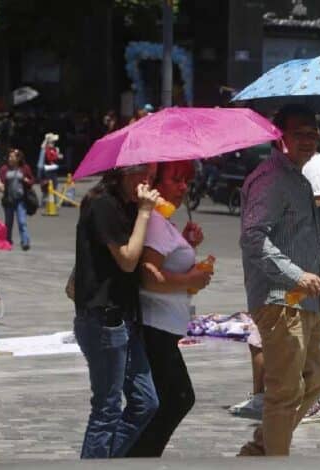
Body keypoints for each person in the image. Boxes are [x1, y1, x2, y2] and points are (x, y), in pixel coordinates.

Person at [238, 103, 320, 456]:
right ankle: (271, 456)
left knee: (314, 382)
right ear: (279, 135)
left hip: (306, 300)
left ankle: (260, 449)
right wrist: (297, 275)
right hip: (281, 299)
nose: (308, 139)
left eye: (313, 133)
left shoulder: (298, 179)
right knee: (284, 392)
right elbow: (253, 237)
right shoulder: (270, 179)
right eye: (299, 132)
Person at [73, 163, 160, 458]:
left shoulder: (127, 206)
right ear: (125, 172)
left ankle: (104, 461)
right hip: (104, 319)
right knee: (107, 408)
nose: (148, 181)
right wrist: (146, 212)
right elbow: (127, 259)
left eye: (153, 175)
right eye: (144, 174)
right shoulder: (103, 205)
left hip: (124, 318)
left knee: (146, 402)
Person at [126, 161, 209, 457]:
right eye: (176, 179)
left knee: (165, 401)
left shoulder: (164, 222)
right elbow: (149, 276)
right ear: (155, 184)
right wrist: (191, 278)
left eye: (186, 180)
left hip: (162, 326)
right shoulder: (157, 224)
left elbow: (164, 263)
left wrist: (186, 245)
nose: (183, 186)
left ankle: (138, 456)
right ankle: (136, 458)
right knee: (175, 399)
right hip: (154, 326)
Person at [0, 148, 35, 250]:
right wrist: (0, 186)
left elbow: (32, 181)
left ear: (18, 158)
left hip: (20, 200)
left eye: (12, 156)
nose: (10, 158)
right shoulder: (4, 169)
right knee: (8, 223)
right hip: (8, 200)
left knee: (22, 222)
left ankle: (25, 241)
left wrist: (26, 180)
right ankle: (7, 241)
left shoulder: (24, 168)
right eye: (9, 156)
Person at [37, 133, 63, 207]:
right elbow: (49, 158)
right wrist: (57, 156)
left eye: (54, 142)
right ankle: (44, 202)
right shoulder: (45, 150)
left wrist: (57, 155)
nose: (53, 144)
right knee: (46, 186)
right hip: (47, 171)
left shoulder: (53, 149)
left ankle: (53, 202)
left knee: (54, 186)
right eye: (52, 142)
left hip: (52, 170)